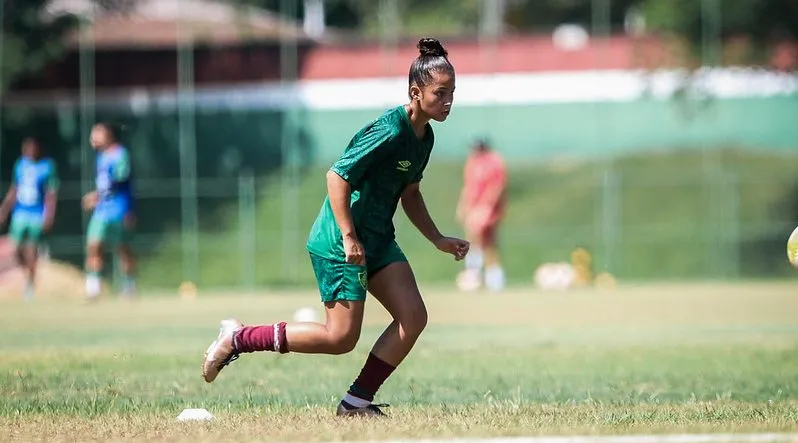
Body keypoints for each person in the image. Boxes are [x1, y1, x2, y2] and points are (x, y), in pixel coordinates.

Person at [201, 38, 469, 417]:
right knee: (340, 337)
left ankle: (355, 404)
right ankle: (239, 337)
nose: (448, 101)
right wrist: (348, 235)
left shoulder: (424, 138)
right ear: (415, 92)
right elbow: (337, 176)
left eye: (452, 92)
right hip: (341, 241)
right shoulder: (389, 129)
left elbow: (410, 193)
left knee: (413, 317)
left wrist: (437, 238)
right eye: (440, 93)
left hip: (377, 240)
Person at [81, 122, 137, 300]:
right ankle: (93, 288)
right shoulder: (100, 157)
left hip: (119, 209)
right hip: (101, 211)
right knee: (93, 245)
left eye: (97, 134)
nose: (93, 138)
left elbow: (120, 181)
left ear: (109, 135)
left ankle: (129, 286)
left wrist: (96, 196)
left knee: (123, 249)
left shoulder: (120, 154)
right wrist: (97, 198)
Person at [0, 138, 59, 301]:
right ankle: (27, 272)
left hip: (36, 214)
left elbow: (51, 193)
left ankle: (30, 284)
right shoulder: (20, 165)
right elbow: (14, 189)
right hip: (20, 213)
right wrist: (4, 209)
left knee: (32, 248)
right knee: (16, 248)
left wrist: (49, 215)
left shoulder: (47, 166)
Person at [455, 138, 507, 292]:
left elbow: (497, 186)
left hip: (487, 208)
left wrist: (487, 207)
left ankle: (493, 278)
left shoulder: (494, 162)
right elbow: (469, 186)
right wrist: (463, 205)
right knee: (473, 238)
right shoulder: (472, 163)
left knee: (487, 241)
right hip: (474, 207)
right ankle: (474, 273)